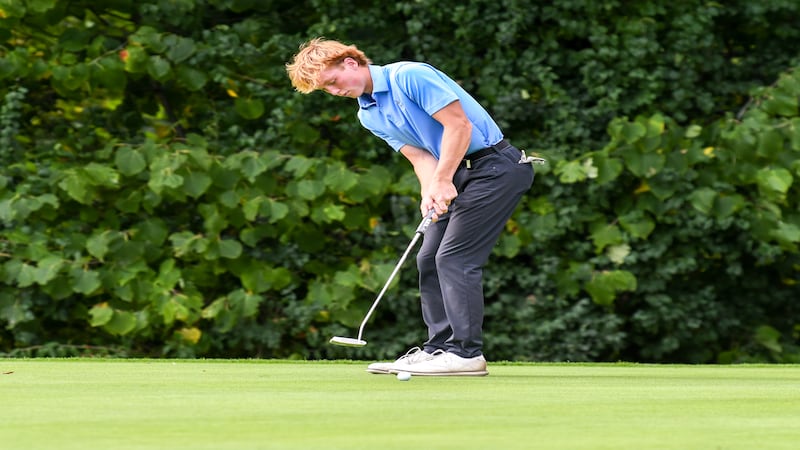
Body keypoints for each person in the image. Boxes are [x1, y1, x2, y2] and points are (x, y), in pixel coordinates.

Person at [286, 38, 536, 376]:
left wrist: (443, 179)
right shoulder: (368, 114)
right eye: (325, 89)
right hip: (455, 173)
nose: (334, 91)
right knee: (428, 258)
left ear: (350, 62)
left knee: (454, 258)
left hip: (495, 168)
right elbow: (420, 157)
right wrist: (430, 190)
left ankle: (466, 354)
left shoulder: (409, 76)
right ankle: (438, 349)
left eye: (332, 81)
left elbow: (459, 126)